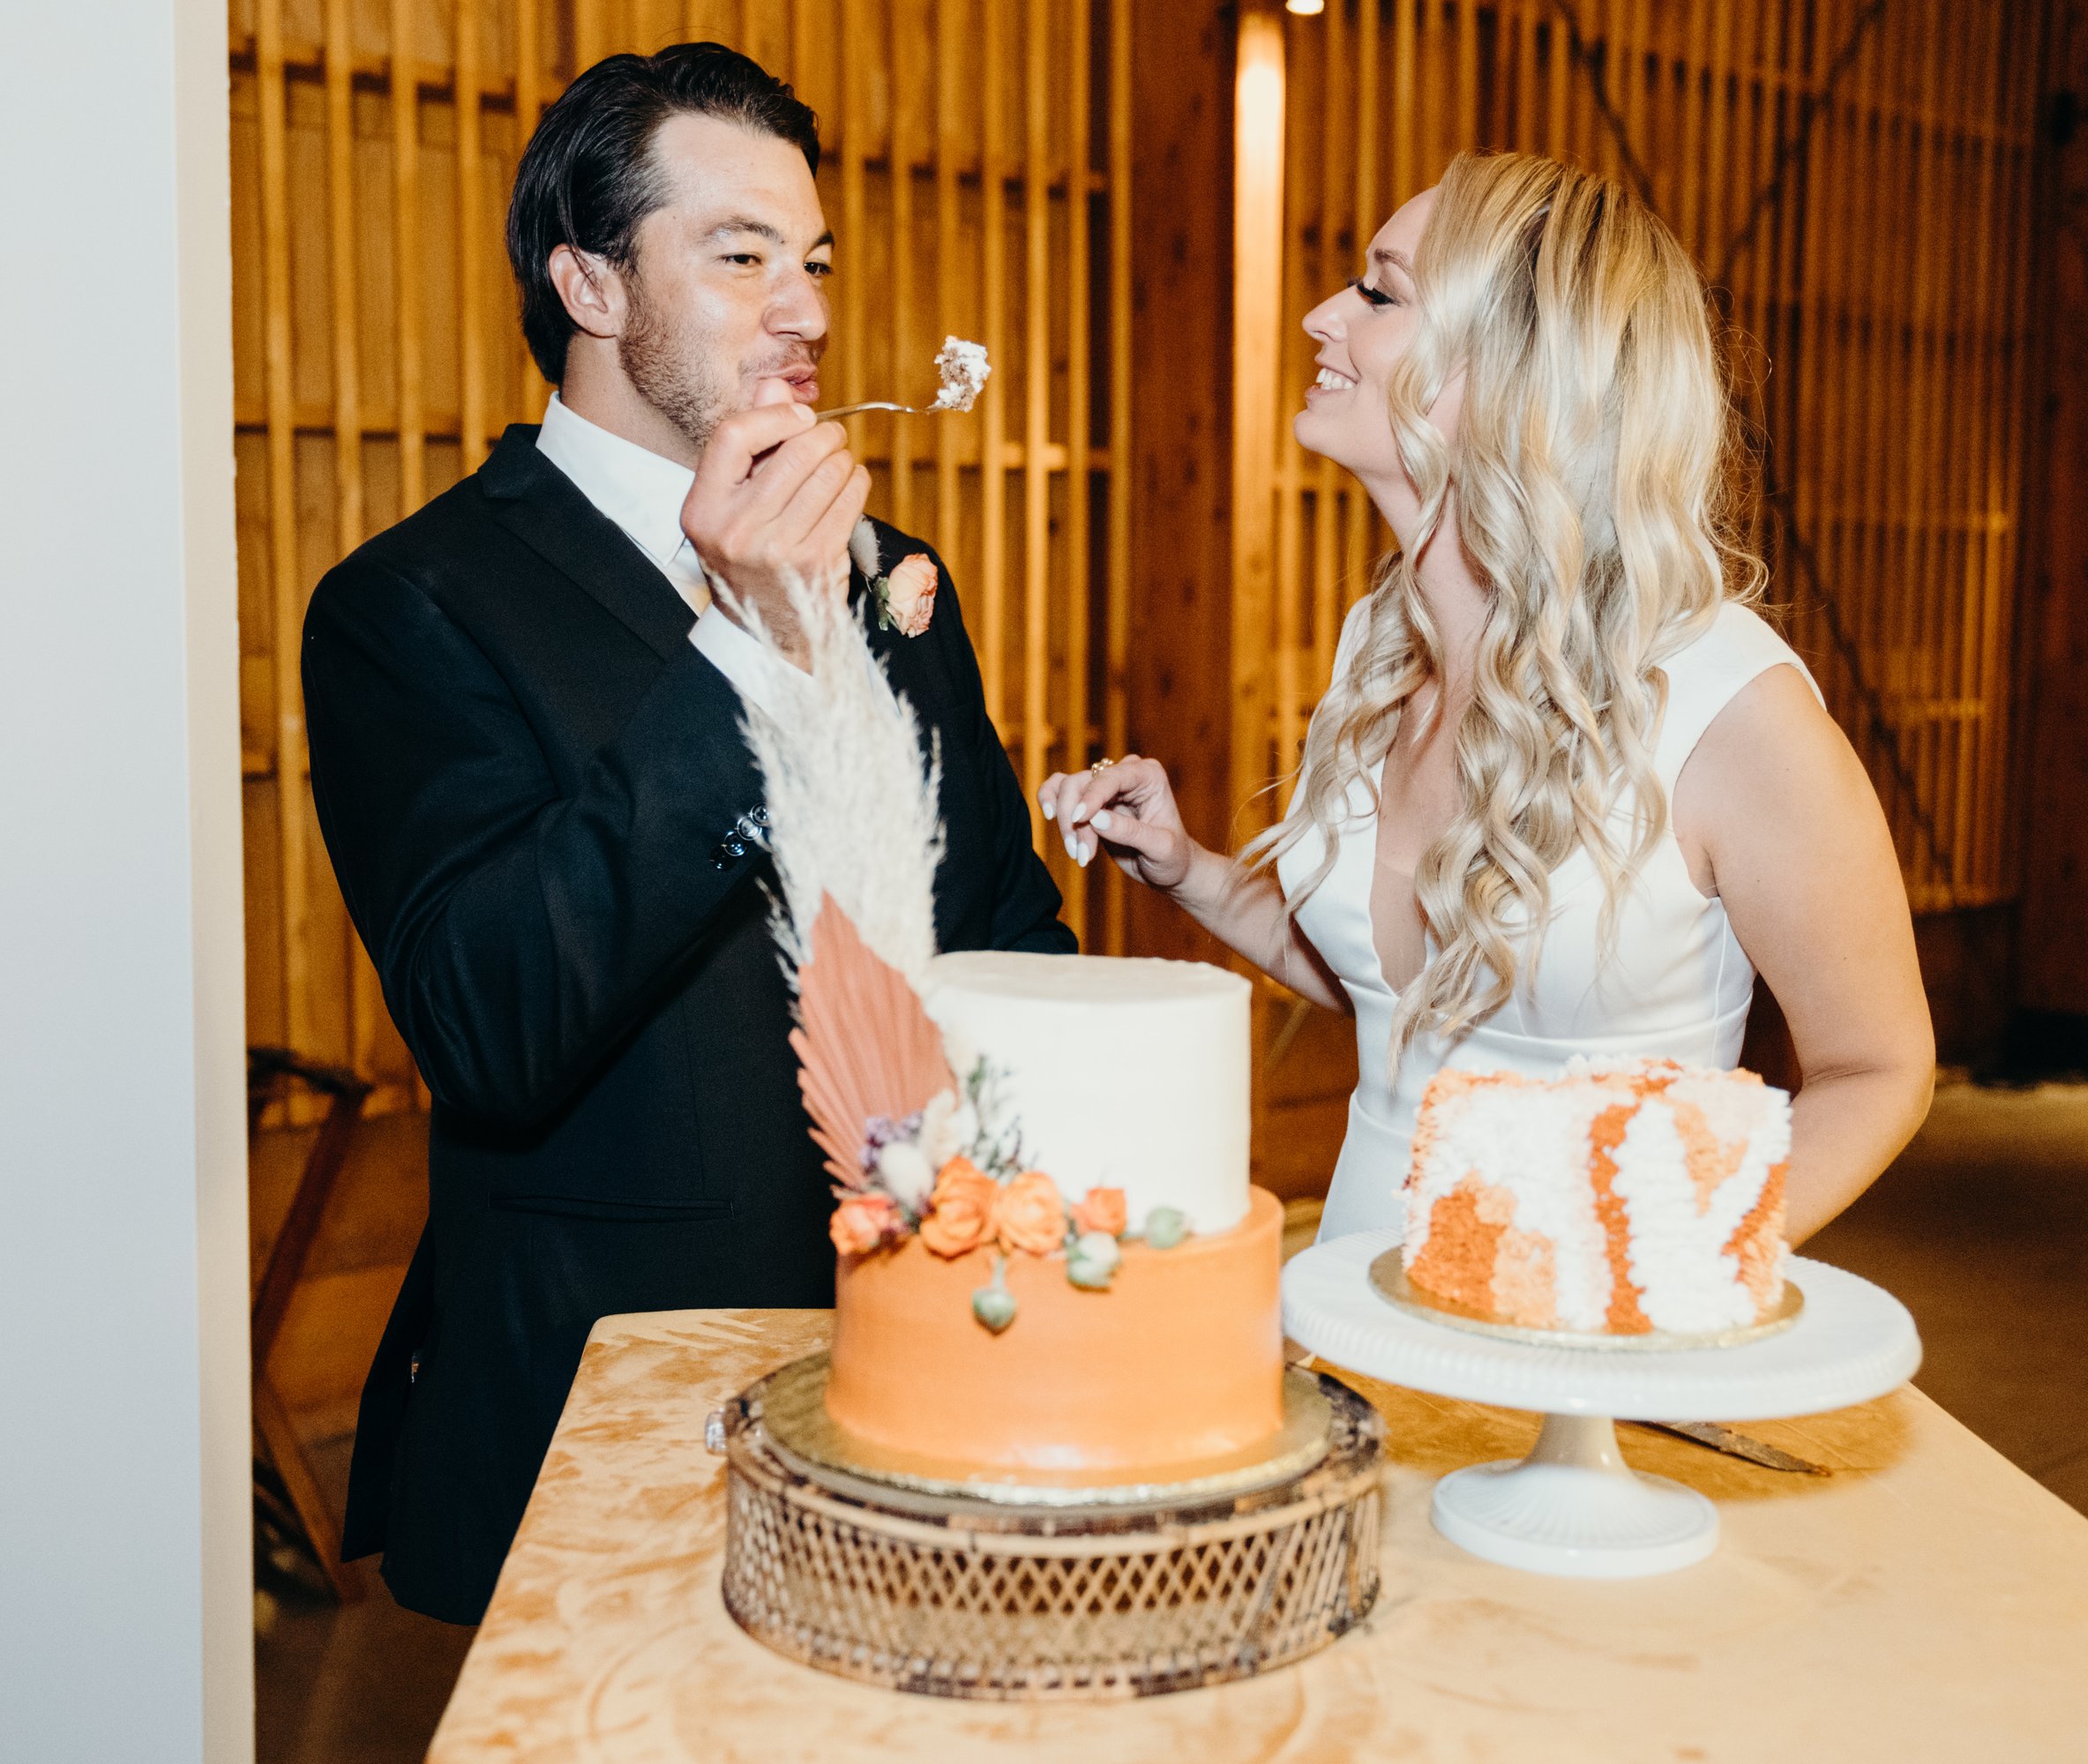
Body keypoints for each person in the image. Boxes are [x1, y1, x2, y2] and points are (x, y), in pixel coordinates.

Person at [303, 44, 1072, 1625]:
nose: (805, 308)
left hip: (927, 1377)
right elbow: (487, 1021)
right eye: (739, 257)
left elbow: (1006, 933)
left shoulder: (896, 574)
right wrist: (747, 649)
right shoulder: (416, 604)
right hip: (615, 1406)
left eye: (815, 261)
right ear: (589, 286)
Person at [1044, 152, 1934, 1246]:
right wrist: (1192, 874)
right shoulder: (1380, 643)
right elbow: (1401, 1000)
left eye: (1379, 292)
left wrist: (1678, 1278)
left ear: (1509, 368)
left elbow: (1878, 1067)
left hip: (1582, 1364)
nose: (1324, 317)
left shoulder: (1726, 708)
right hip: (1348, 1320)